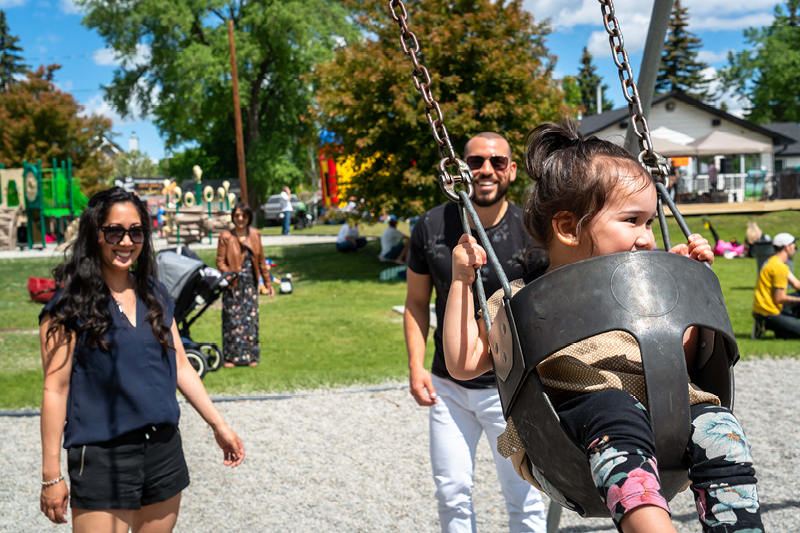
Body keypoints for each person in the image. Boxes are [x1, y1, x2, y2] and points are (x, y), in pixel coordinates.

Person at [443, 121, 763, 533]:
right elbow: (463, 362)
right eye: (632, 220)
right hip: (574, 429)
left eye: (650, 222)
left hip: (668, 414)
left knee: (719, 426)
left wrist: (684, 289)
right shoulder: (520, 300)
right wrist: (460, 282)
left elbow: (681, 357)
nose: (648, 238)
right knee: (616, 412)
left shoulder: (648, 290)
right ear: (567, 228)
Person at [39, 187, 245, 531]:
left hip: (162, 450)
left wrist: (218, 425)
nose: (126, 241)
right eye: (114, 231)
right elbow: (55, 390)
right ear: (95, 233)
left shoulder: (155, 294)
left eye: (136, 231)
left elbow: (180, 366)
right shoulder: (68, 306)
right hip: (101, 455)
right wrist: (50, 475)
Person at [405, 132, 547, 533]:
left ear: (512, 170)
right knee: (451, 492)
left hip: (510, 390)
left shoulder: (531, 230)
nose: (486, 170)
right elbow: (416, 302)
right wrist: (416, 366)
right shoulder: (432, 225)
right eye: (476, 161)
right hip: (447, 388)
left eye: (497, 161)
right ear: (459, 168)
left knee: (524, 495)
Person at [216, 202, 274, 367]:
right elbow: (220, 261)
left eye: (244, 216)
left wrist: (267, 282)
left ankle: (251, 357)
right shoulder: (226, 237)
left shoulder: (255, 235)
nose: (240, 219)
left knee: (250, 321)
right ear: (233, 217)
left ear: (249, 217)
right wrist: (226, 274)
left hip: (250, 284)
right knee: (232, 321)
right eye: (237, 216)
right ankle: (230, 357)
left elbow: (261, 261)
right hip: (233, 284)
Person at [752, 232, 800, 339]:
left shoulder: (774, 261)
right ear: (787, 247)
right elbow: (780, 298)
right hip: (768, 314)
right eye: (794, 246)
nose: (795, 250)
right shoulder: (778, 268)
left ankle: (783, 329)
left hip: (767, 308)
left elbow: (797, 284)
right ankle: (768, 325)